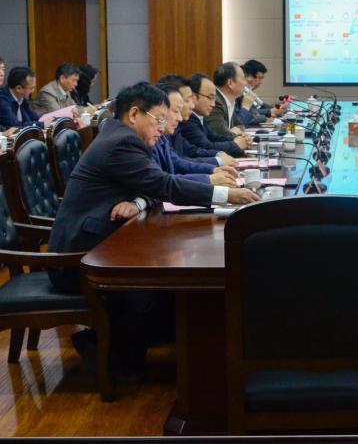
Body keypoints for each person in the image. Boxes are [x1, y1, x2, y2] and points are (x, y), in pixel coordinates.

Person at [47, 83, 258, 377]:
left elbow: (152, 184)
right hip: (80, 259)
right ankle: (112, 357)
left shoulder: (121, 136)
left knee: (171, 279)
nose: (162, 127)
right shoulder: (122, 142)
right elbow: (163, 184)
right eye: (158, 119)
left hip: (104, 244)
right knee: (159, 287)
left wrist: (137, 201)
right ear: (134, 114)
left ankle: (182, 355)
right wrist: (227, 195)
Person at [151, 82, 238, 185]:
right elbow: (162, 182)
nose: (192, 106)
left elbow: (177, 162)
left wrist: (213, 169)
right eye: (187, 100)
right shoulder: (145, 141)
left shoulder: (163, 136)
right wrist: (209, 178)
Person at [184, 73, 248, 156]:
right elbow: (207, 147)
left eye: (214, 99)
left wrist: (239, 139)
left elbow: (214, 138)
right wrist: (235, 144)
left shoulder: (199, 117)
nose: (213, 104)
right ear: (193, 96)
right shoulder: (188, 120)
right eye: (210, 98)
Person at [206, 62, 248, 138]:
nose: (245, 83)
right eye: (243, 79)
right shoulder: (215, 102)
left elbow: (240, 125)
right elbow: (220, 135)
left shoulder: (229, 101)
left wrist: (233, 132)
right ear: (230, 83)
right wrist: (233, 133)